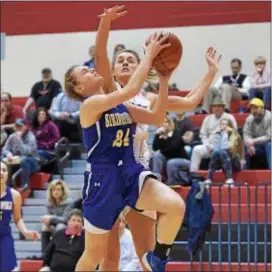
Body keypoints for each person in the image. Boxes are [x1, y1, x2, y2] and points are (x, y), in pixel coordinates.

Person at [94, 5, 221, 271]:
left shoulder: (149, 98)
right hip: (107, 177)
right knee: (109, 257)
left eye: (131, 59)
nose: (126, 61)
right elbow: (101, 55)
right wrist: (105, 23)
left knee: (147, 257)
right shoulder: (108, 90)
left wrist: (210, 73)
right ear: (114, 71)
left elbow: (190, 101)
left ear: (142, 65)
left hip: (137, 176)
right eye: (121, 60)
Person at [64, 17, 184, 270]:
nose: (92, 70)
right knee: (95, 255)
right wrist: (149, 56)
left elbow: (157, 117)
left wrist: (163, 79)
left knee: (175, 206)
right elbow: (126, 86)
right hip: (103, 180)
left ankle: (158, 258)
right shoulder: (91, 105)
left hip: (130, 171)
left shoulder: (120, 105)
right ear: (79, 87)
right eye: (85, 72)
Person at [0, 161, 40, 272]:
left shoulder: (14, 195)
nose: (1, 173)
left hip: (4, 237)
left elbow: (17, 219)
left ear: (7, 174)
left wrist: (25, 232)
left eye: (4, 170)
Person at [205, 118, 244, 186]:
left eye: (226, 124)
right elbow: (216, 149)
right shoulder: (217, 135)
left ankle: (229, 179)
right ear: (219, 126)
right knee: (215, 153)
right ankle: (209, 179)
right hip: (222, 162)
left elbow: (230, 148)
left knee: (223, 152)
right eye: (222, 124)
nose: (224, 126)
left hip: (234, 162)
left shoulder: (234, 134)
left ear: (230, 126)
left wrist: (229, 133)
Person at [40, 179, 72, 254]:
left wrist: (51, 218)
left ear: (63, 191)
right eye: (53, 190)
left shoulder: (69, 202)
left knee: (60, 226)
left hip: (67, 226)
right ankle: (45, 253)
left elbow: (66, 219)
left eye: (58, 189)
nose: (56, 192)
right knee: (44, 226)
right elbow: (47, 218)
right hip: (54, 225)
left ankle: (59, 252)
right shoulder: (49, 203)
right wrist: (45, 219)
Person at [243, 98, 271, 169]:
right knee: (243, 145)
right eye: (252, 108)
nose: (253, 110)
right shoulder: (249, 118)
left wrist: (253, 141)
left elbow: (269, 137)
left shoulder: (270, 117)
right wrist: (249, 145)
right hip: (255, 146)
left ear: (262, 108)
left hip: (267, 145)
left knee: (270, 145)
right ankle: (244, 175)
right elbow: (246, 133)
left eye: (256, 108)